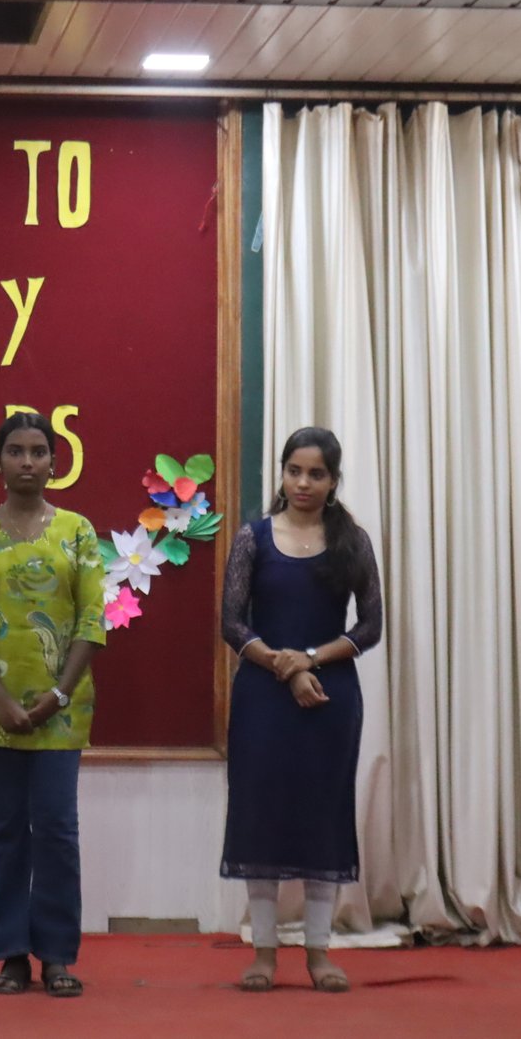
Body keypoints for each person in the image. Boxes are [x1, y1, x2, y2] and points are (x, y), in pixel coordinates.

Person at [0, 411, 106, 999]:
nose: (27, 461)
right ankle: (11, 953)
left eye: (38, 451)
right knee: (6, 831)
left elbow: (92, 620)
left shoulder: (77, 532)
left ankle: (58, 954)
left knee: (57, 830)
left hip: (62, 710)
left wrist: (57, 695)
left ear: (54, 463)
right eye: (15, 451)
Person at [220, 426, 382, 994]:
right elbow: (232, 623)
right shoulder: (253, 539)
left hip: (329, 698)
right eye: (295, 471)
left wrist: (309, 659)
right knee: (259, 817)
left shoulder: (352, 542)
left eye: (316, 474)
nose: (304, 483)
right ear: (282, 474)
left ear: (333, 481)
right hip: (262, 697)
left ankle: (319, 952)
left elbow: (370, 627)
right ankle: (264, 952)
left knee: (323, 819)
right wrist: (285, 667)